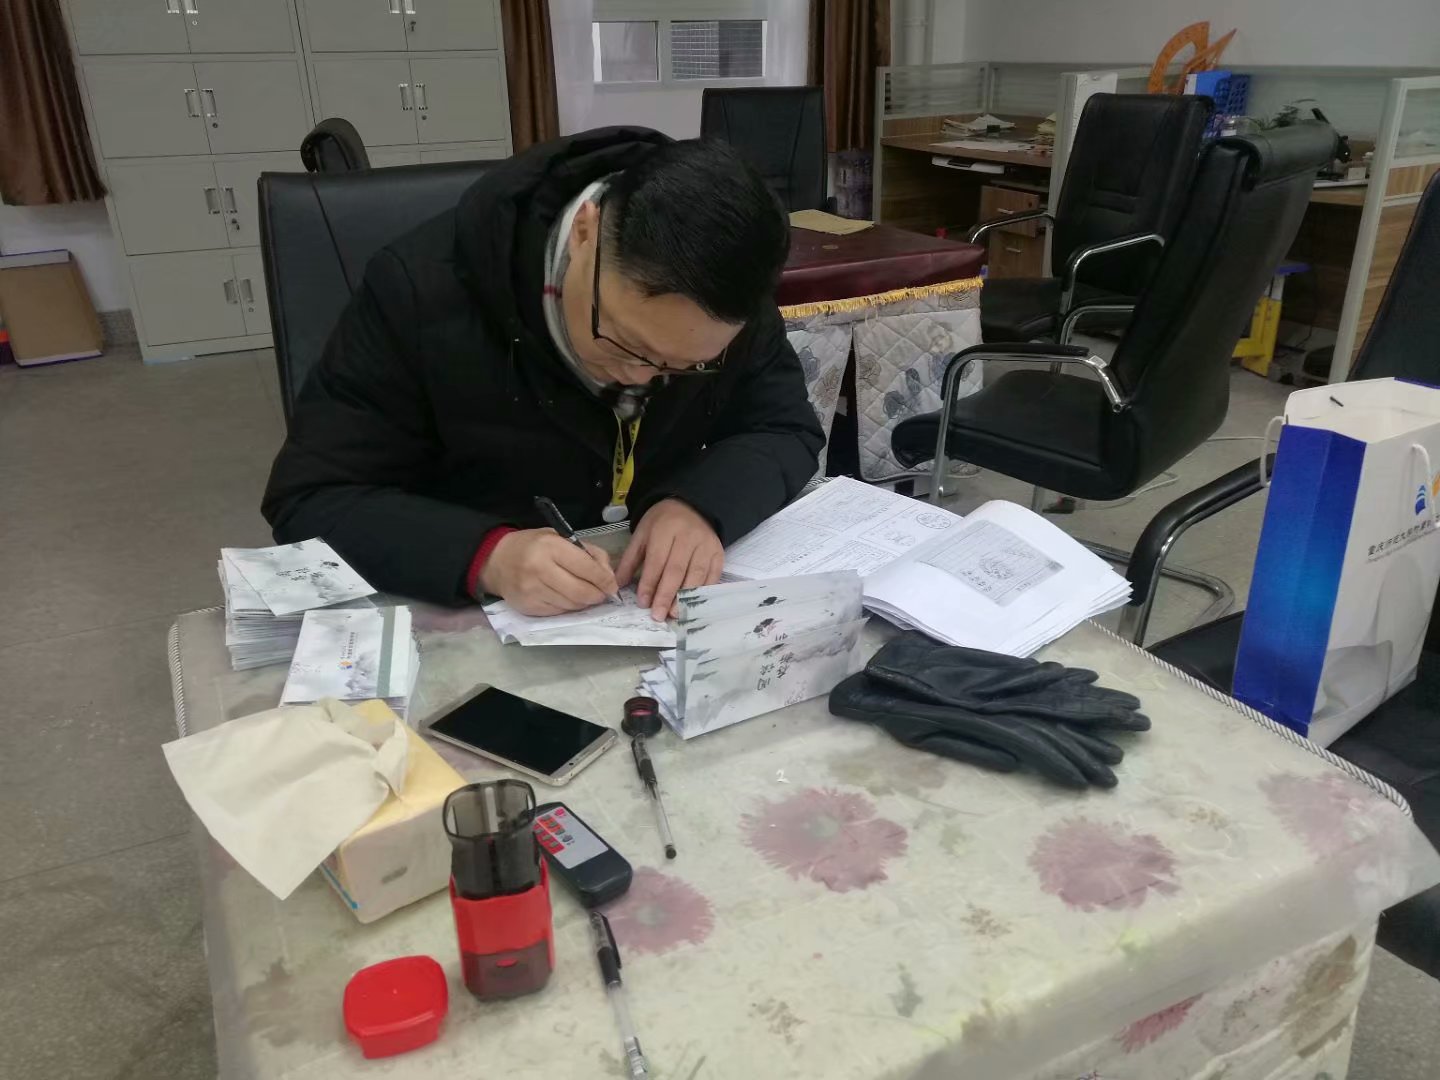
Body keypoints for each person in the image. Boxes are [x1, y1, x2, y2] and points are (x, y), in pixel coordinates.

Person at [262, 127, 823, 620]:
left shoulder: (726, 289)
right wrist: (487, 555)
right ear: (585, 230)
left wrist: (700, 504)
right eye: (626, 342)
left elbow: (783, 427)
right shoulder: (418, 294)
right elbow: (311, 498)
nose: (642, 379)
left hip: (641, 611)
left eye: (687, 365)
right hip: (481, 622)